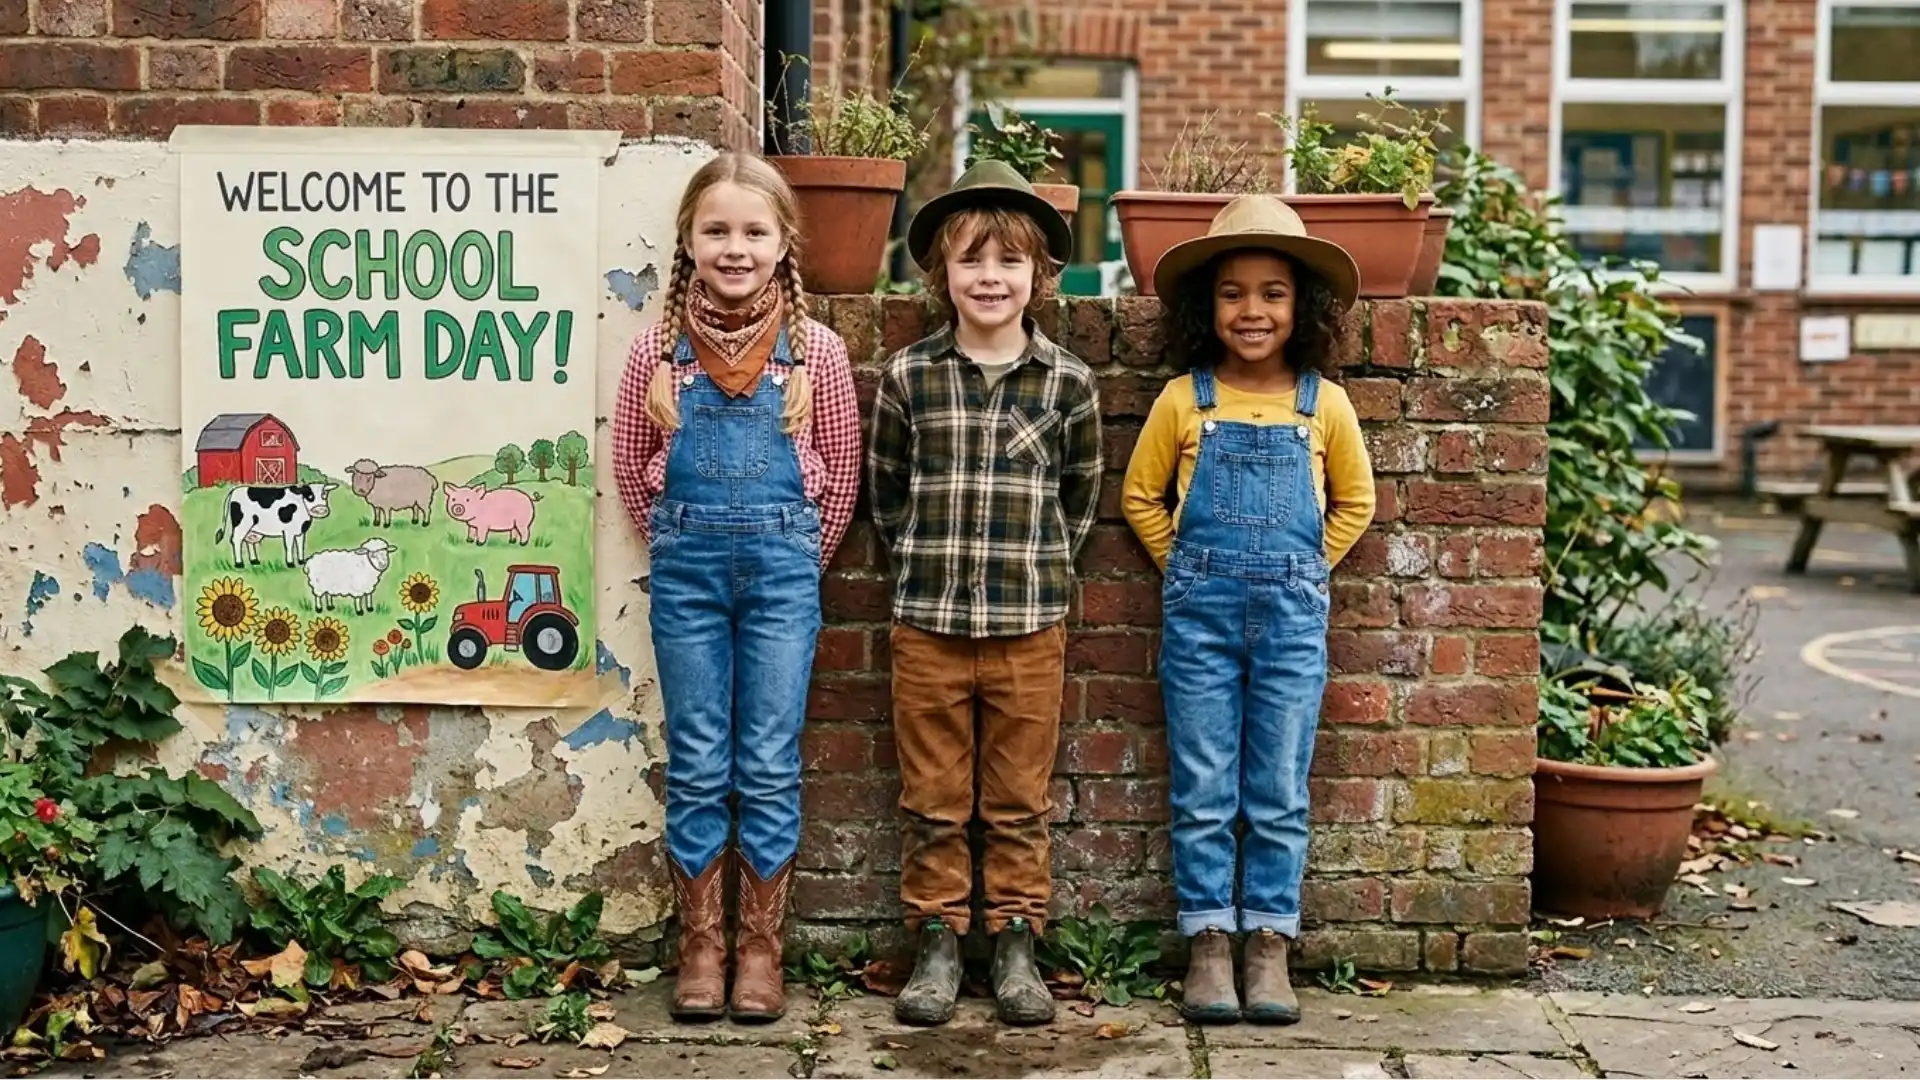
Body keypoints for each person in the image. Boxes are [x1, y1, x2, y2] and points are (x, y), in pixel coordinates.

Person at [611, 151, 862, 1024]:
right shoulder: (658, 349)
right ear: (688, 240)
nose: (735, 247)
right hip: (687, 577)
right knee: (699, 758)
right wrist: (676, 542)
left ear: (784, 241)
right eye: (716, 230)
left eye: (754, 231)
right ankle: (702, 944)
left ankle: (760, 947)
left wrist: (799, 555)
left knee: (766, 760)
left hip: (784, 576)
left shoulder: (816, 353)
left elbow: (844, 471)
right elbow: (630, 470)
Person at [1121, 194, 1376, 1025]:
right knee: (1201, 783)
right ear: (1208, 305)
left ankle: (1268, 943)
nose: (1253, 310)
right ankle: (1206, 942)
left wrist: (1308, 569)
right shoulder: (1182, 401)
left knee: (1276, 787)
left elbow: (1356, 503)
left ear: (1301, 306)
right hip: (1200, 614)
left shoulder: (1323, 404)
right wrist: (1185, 568)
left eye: (1273, 292)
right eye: (1233, 292)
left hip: (1293, 617)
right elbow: (1139, 496)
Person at [867, 160, 1102, 1027]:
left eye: (1009, 262)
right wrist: (922, 568)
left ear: (1041, 276)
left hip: (1028, 626)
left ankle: (1013, 941)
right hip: (928, 623)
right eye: (971, 261)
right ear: (941, 276)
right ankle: (934, 940)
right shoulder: (909, 376)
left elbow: (1081, 499)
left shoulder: (1069, 383)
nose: (990, 278)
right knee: (931, 794)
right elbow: (885, 494)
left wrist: (1039, 575)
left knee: (1016, 799)